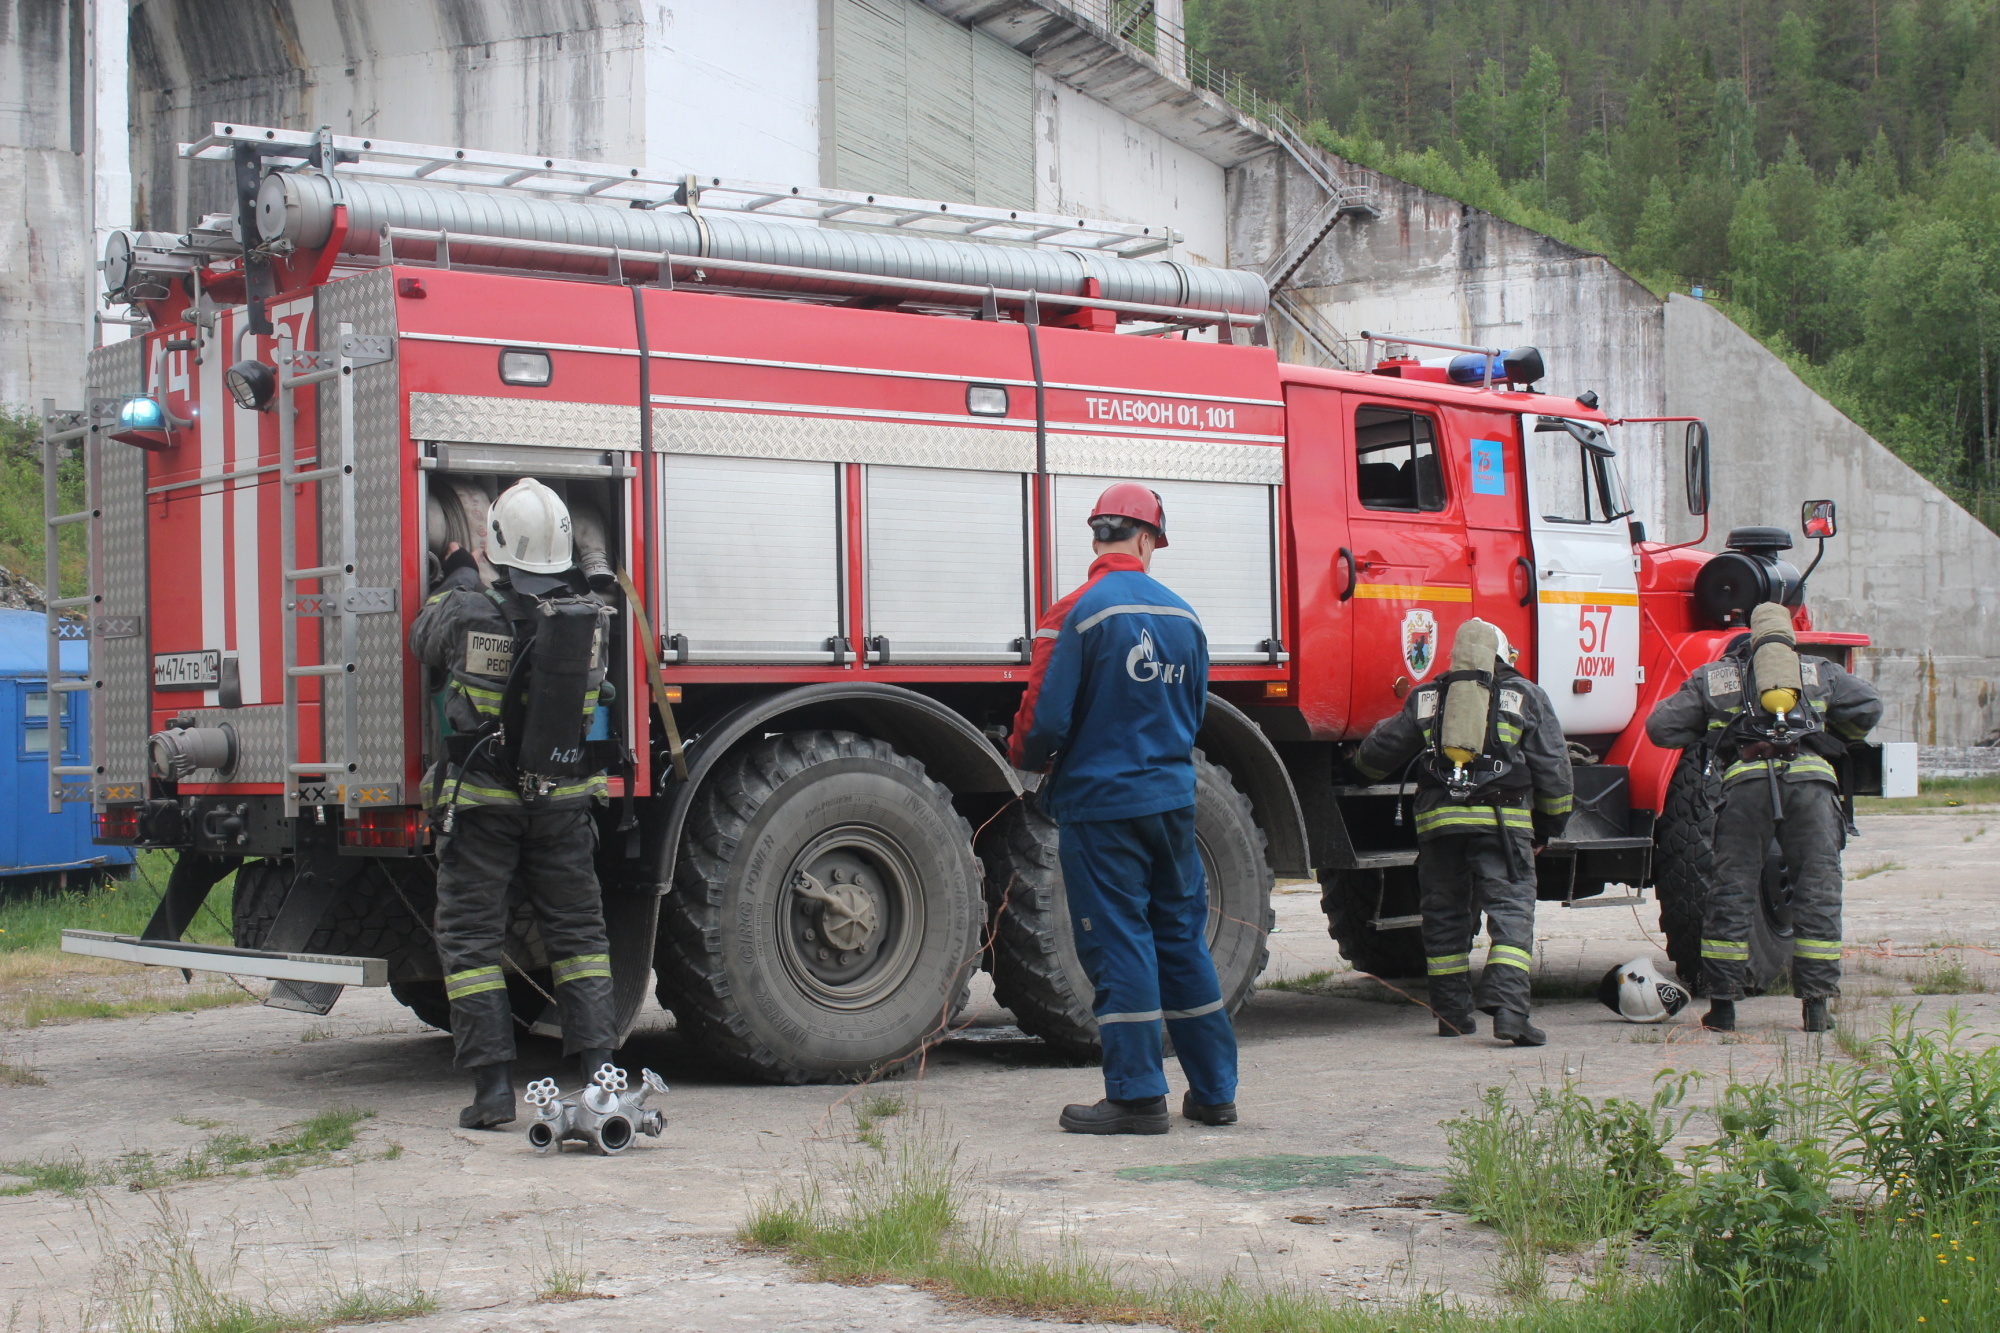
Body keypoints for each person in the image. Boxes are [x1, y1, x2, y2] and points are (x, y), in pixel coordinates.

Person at [1009, 482, 1236, 1135]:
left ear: (1097, 536)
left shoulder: (1076, 611)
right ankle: (1215, 1091)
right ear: (1146, 539)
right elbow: (1193, 715)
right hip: (1171, 801)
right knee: (1179, 937)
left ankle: (1137, 1095)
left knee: (1120, 939)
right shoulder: (1186, 618)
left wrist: (1026, 758)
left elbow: (1044, 718)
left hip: (1102, 805)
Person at [408, 477, 621, 1128]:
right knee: (579, 936)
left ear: (498, 544)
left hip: (481, 806)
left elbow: (424, 642)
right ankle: (599, 1077)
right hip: (563, 804)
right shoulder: (592, 620)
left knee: (472, 942)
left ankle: (493, 1091)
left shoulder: (469, 609)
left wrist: (455, 576)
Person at [1645, 601, 1883, 1032]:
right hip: (1812, 786)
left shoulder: (1716, 677)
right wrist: (1831, 735)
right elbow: (1868, 706)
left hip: (1745, 787)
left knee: (1730, 891)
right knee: (1818, 890)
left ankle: (1723, 1007)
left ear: (1749, 636)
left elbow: (1661, 728)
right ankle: (1816, 1008)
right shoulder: (1816, 671)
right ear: (1790, 635)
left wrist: (1712, 730)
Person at [1352, 618, 1572, 1046]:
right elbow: (1555, 771)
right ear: (1504, 657)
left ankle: (1451, 1014)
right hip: (1502, 824)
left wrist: (1356, 767)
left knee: (1445, 916)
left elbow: (1379, 753)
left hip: (1439, 826)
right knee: (1510, 912)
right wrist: (1549, 825)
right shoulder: (1525, 696)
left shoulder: (1430, 695)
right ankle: (1509, 1012)